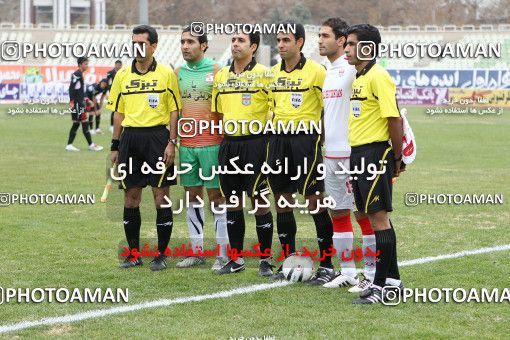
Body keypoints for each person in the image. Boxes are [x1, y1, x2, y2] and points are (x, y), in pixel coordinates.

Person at [107, 25, 182, 271]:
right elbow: (118, 113)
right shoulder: (122, 75)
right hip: (130, 140)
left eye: (142, 43)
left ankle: (161, 254)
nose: (137, 47)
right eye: (134, 43)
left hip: (158, 139)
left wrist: (172, 142)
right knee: (130, 198)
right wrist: (115, 146)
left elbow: (174, 110)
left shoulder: (165, 73)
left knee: (161, 197)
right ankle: (134, 254)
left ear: (153, 46)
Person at [267, 21, 335, 285]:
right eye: (279, 40)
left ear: (300, 42)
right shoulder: (272, 73)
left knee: (314, 202)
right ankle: (288, 261)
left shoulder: (317, 72)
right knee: (282, 203)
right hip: (279, 142)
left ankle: (327, 264)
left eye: (286, 40)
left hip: (305, 143)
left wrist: (320, 140)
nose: (281, 45)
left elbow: (328, 109)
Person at [344, 24, 404, 304]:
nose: (347, 49)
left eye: (352, 44)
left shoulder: (379, 77)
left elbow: (394, 119)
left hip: (375, 154)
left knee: (379, 219)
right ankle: (392, 281)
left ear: (368, 47)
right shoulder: (359, 77)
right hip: (359, 154)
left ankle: (381, 286)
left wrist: (396, 156)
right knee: (373, 217)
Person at [318, 18, 376, 292]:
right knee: (338, 211)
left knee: (364, 213)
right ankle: (348, 272)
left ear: (341, 41)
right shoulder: (328, 72)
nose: (320, 40)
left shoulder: (353, 71)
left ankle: (372, 273)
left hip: (354, 154)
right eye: (318, 35)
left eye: (325, 35)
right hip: (331, 155)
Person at [211, 29, 275, 276]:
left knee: (259, 201)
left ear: (254, 47)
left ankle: (265, 259)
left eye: (241, 41)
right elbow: (217, 113)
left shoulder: (264, 75)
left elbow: (275, 110)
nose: (235, 44)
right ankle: (236, 260)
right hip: (229, 145)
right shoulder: (222, 76)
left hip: (256, 145)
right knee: (232, 202)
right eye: (233, 40)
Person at [174, 25, 229, 271]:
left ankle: (223, 254)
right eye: (183, 42)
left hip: (212, 145)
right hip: (187, 146)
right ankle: (196, 252)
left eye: (191, 42)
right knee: (192, 198)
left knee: (217, 198)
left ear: (204, 45)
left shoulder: (217, 71)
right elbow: (174, 110)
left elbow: (225, 108)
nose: (185, 46)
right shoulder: (178, 72)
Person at [66, 57, 103, 152]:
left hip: (79, 103)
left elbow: (79, 91)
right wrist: (72, 101)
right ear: (80, 64)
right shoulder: (77, 74)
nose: (87, 65)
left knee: (76, 124)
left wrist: (86, 99)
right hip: (78, 104)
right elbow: (71, 88)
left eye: (87, 63)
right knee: (84, 122)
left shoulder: (80, 75)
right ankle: (91, 145)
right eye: (85, 64)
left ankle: (69, 145)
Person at [108, 60, 123, 133]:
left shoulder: (123, 73)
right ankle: (111, 126)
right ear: (115, 65)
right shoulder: (110, 73)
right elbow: (108, 84)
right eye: (117, 64)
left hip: (122, 94)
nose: (118, 66)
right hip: (113, 94)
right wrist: (109, 94)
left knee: (121, 110)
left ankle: (122, 125)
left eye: (119, 65)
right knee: (114, 110)